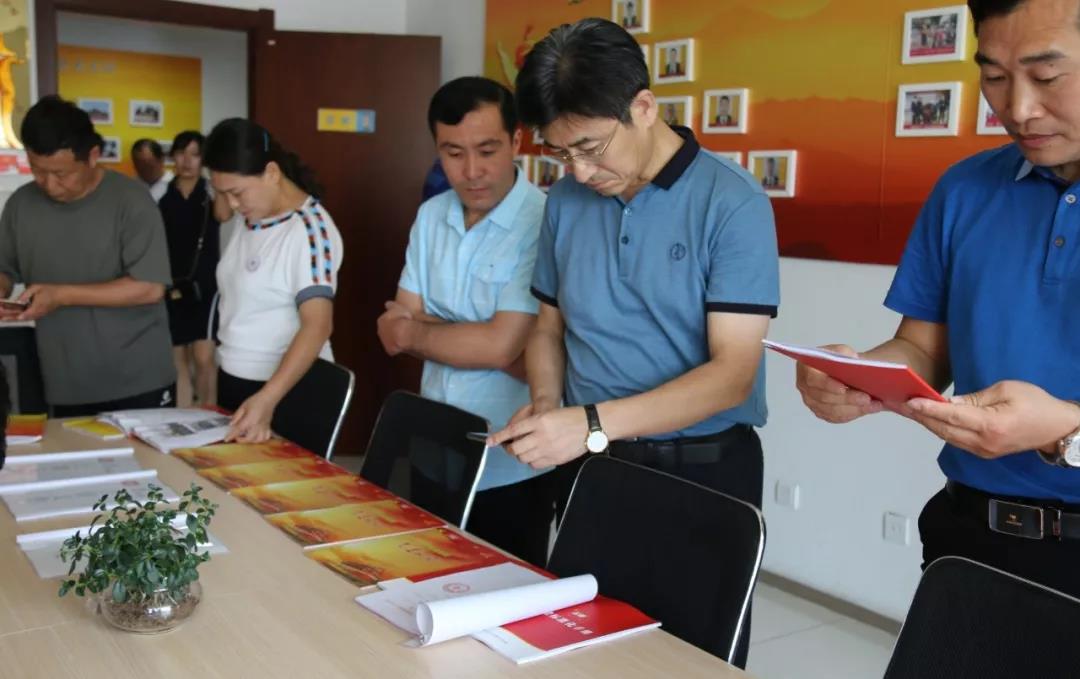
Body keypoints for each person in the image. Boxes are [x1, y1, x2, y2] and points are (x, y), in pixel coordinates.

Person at [490, 19, 779, 666]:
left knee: (690, 660)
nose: (579, 171)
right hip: (593, 467)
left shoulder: (732, 202)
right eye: (560, 154)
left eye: (590, 147)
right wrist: (547, 403)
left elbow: (733, 373)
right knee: (580, 649)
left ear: (643, 107)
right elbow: (549, 327)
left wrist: (590, 423)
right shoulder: (566, 200)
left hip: (702, 470)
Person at [794, 0, 1080, 599]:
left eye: (1047, 76)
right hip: (970, 538)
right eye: (995, 77)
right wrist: (860, 376)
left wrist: (1063, 431)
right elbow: (923, 349)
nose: (1018, 109)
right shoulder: (965, 188)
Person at [376, 77, 552, 567]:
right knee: (424, 579)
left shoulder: (544, 222)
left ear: (517, 141)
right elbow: (391, 331)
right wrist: (483, 340)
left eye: (487, 150)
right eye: (452, 153)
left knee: (508, 595)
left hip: (512, 463)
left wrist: (422, 328)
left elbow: (496, 346)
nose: (471, 171)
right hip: (433, 443)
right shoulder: (432, 216)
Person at [0, 95, 175, 416]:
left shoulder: (132, 201)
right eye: (37, 171)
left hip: (138, 379)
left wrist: (62, 295)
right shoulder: (21, 205)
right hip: (63, 382)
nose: (49, 184)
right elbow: (5, 268)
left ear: (93, 156)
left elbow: (149, 287)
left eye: (61, 173)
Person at [204, 118, 343, 443]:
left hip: (285, 391)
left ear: (271, 173)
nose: (232, 204)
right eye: (222, 193)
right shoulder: (252, 215)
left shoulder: (310, 230)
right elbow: (223, 212)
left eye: (237, 193)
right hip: (236, 381)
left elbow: (318, 326)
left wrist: (268, 399)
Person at [158, 130, 220, 408]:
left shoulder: (211, 192)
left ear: (204, 159)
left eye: (195, 154)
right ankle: (182, 416)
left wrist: (218, 181)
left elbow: (224, 215)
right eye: (182, 153)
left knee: (204, 356)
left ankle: (209, 413)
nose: (187, 160)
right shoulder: (162, 195)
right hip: (172, 285)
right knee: (177, 358)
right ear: (173, 156)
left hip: (206, 284)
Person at [131, 138, 173, 203]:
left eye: (147, 164)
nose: (144, 170)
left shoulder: (176, 185)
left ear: (161, 160)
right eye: (138, 165)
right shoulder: (130, 185)